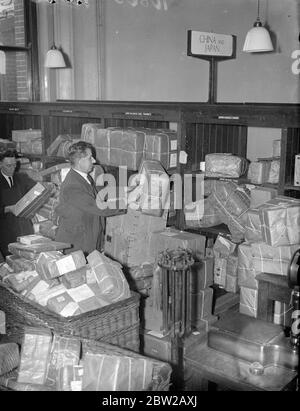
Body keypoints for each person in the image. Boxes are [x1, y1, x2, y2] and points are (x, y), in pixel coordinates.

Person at [55, 141, 121, 255]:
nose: (94, 161)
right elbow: (99, 207)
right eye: (90, 158)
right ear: (81, 162)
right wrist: (126, 203)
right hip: (76, 244)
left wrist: (124, 191)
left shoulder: (84, 177)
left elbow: (99, 194)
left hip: (87, 237)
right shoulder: (73, 186)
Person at [0, 150, 35, 256]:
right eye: (8, 165)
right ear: (0, 164)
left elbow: (36, 189)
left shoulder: (21, 177)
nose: (12, 168)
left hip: (24, 227)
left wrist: (49, 188)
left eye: (14, 165)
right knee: (11, 261)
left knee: (28, 260)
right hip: (6, 229)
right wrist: (9, 208)